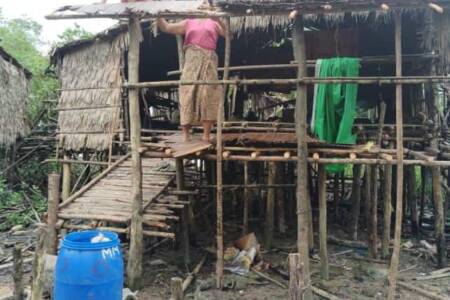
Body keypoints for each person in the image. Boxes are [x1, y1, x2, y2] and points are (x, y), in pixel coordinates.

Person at [157, 17, 225, 142]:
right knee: (187, 92)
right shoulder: (188, 22)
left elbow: (228, 34)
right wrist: (156, 14)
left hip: (209, 60)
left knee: (208, 93)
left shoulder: (214, 22)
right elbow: (166, 27)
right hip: (191, 60)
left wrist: (219, 19)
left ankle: (206, 134)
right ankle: (185, 134)